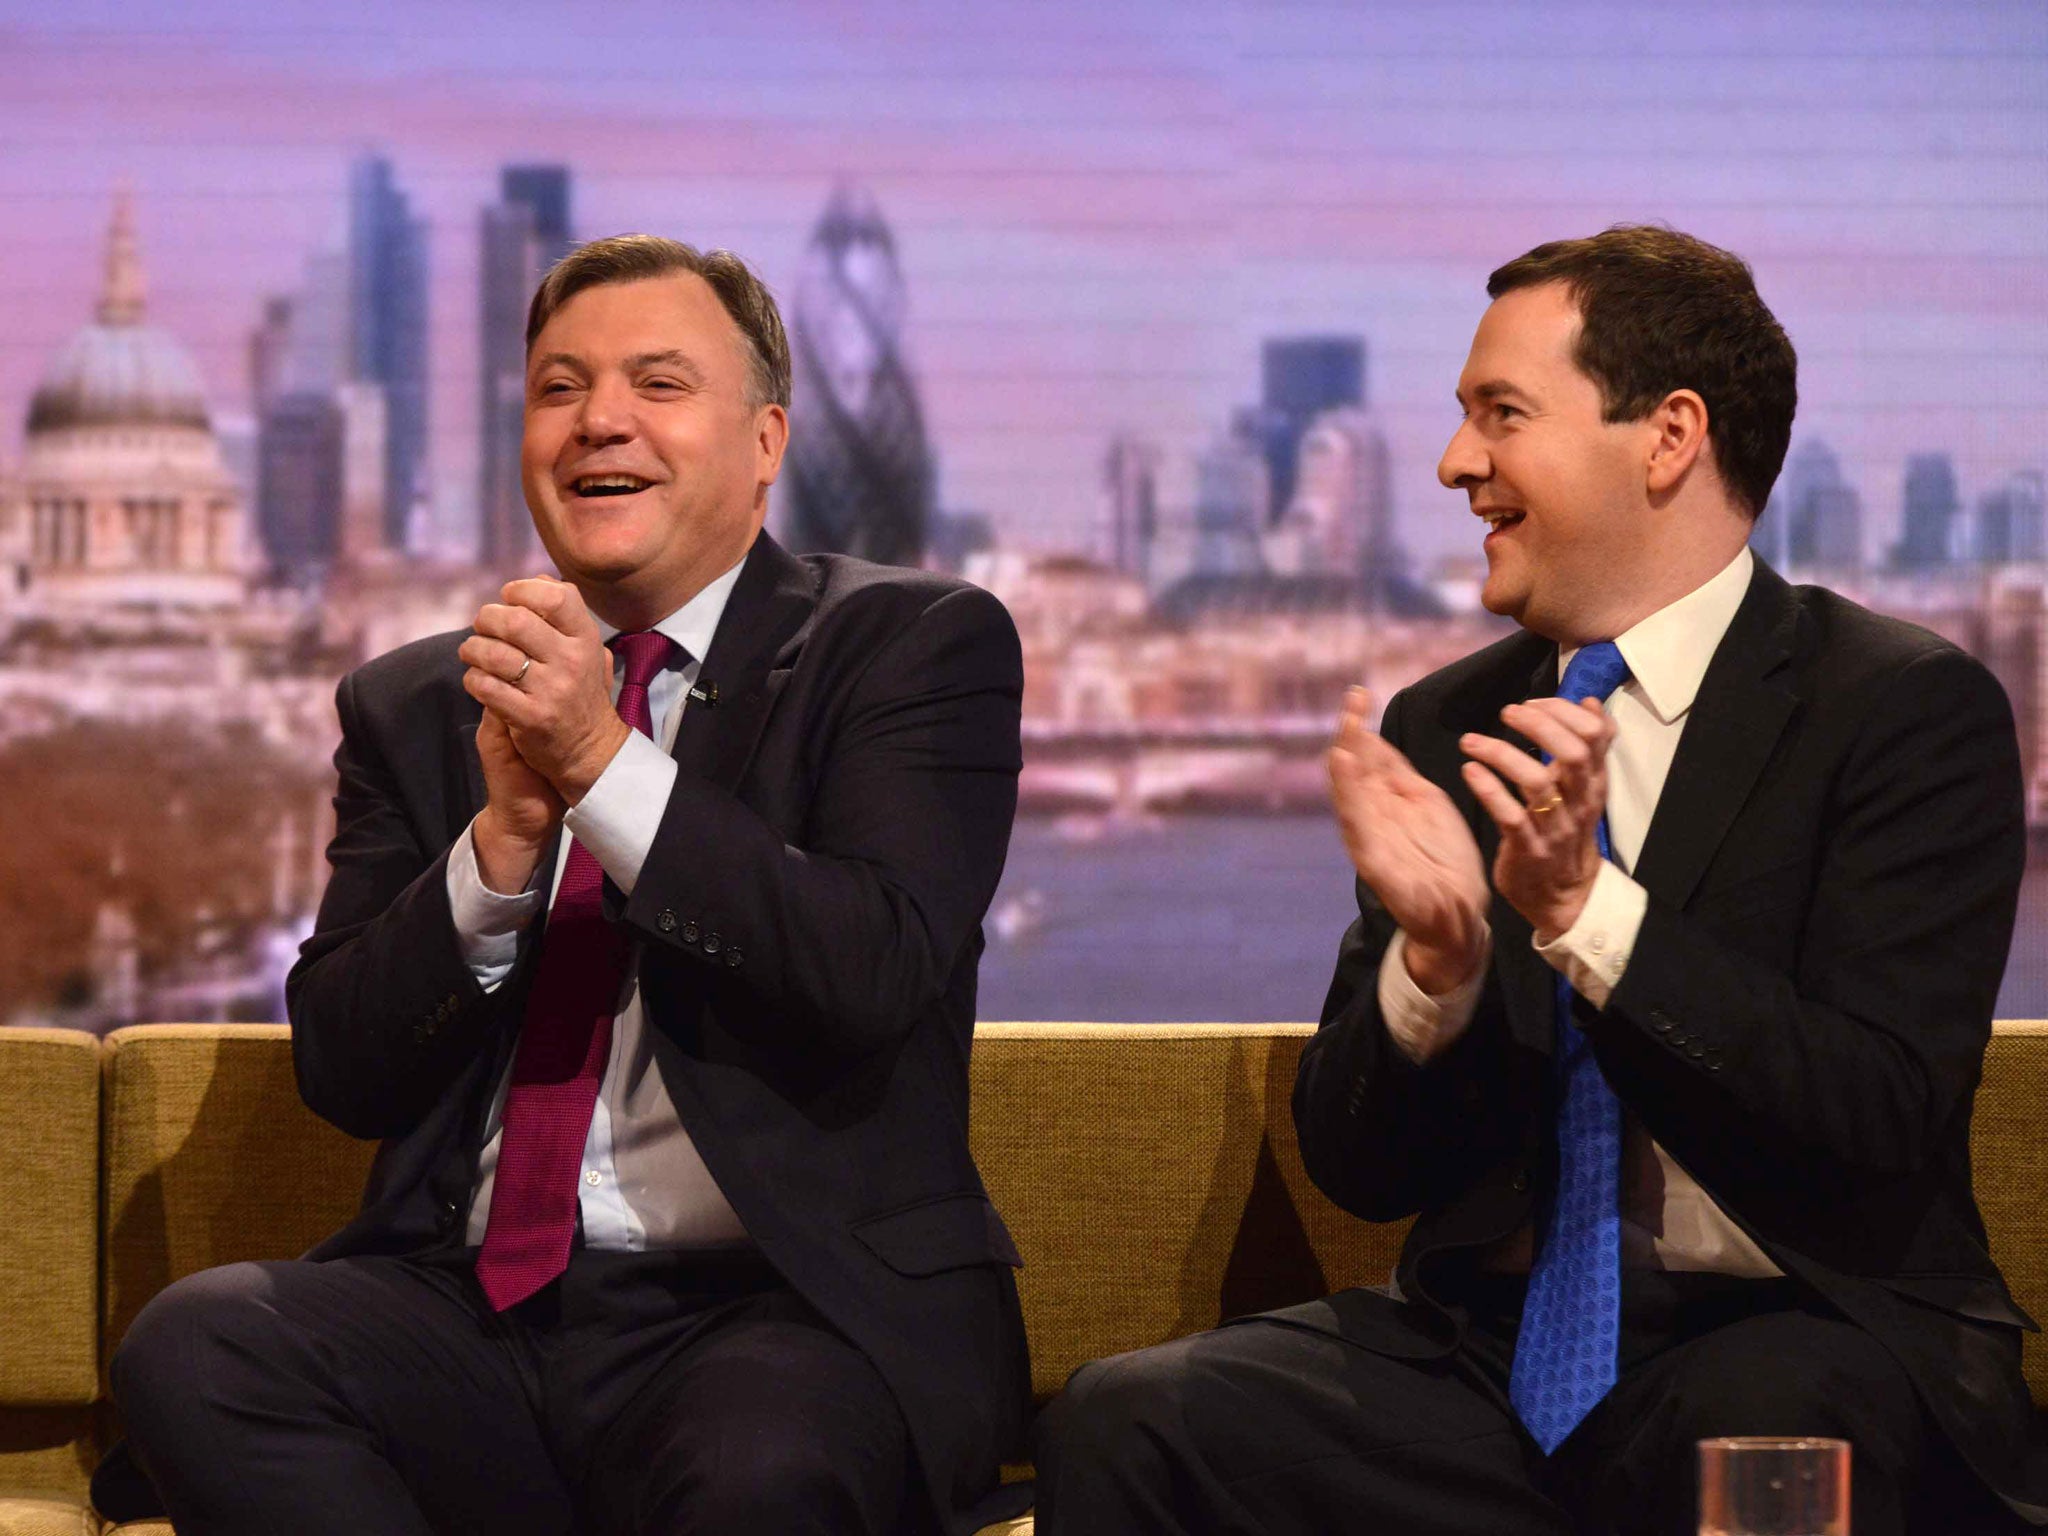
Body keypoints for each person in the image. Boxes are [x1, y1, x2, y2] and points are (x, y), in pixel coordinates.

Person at [1034, 225, 2044, 1535]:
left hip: (1804, 1329)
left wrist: (1584, 917)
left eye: (1500, 415)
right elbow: (1361, 1169)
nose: (1459, 465)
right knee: (1131, 1418)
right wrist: (1434, 977)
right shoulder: (1441, 729)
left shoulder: (1900, 710)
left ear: (1668, 437)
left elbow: (1875, 1116)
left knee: (1756, 1433)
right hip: (1487, 1358)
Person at [104, 235, 1030, 1536]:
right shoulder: (419, 700)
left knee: (759, 1469)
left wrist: (602, 763)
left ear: (766, 440)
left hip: (780, 1308)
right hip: (471, 1306)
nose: (600, 420)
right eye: (558, 388)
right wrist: (502, 843)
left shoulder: (909, 646)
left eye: (658, 383)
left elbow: (869, 963)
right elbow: (344, 1069)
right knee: (198, 1349)